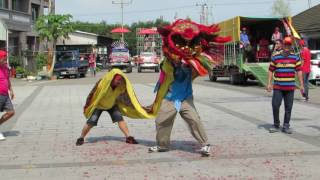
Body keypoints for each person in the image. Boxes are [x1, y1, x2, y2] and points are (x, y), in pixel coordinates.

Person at [148, 61, 211, 156]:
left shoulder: (190, 63)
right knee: (161, 121)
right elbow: (164, 74)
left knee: (194, 119)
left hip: (185, 98)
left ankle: (205, 144)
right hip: (170, 98)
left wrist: (192, 65)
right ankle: (162, 145)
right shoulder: (167, 63)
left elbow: (201, 70)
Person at [76, 74, 138, 145]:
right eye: (118, 80)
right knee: (91, 121)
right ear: (113, 79)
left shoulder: (120, 87)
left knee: (120, 119)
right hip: (99, 106)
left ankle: (128, 137)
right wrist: (87, 104)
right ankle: (81, 138)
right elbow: (92, 93)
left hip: (111, 105)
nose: (119, 82)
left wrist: (134, 107)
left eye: (120, 80)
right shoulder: (103, 83)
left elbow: (126, 96)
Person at [267, 37, 304, 134]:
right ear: (282, 45)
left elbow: (299, 71)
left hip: (290, 87)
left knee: (288, 107)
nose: (287, 46)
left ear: (291, 46)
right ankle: (276, 124)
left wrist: (301, 85)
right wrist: (269, 83)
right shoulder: (276, 57)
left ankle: (286, 125)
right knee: (275, 105)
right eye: (285, 44)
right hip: (278, 86)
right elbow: (271, 70)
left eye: (289, 44)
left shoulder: (295, 57)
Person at [0, 50, 15, 141]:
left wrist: (11, 90)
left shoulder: (5, 68)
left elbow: (7, 80)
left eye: (6, 59)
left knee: (11, 112)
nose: (5, 61)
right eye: (3, 59)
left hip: (5, 94)